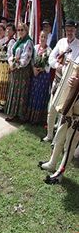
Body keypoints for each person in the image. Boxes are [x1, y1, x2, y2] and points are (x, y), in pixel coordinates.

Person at [39, 53, 79, 184]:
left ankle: (60, 173)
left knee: (70, 143)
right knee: (60, 136)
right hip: (69, 104)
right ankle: (52, 163)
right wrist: (67, 69)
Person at [44, 19, 79, 141]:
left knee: (62, 112)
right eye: (67, 30)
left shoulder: (78, 46)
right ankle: (49, 135)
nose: (69, 32)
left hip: (67, 84)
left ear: (75, 30)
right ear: (65, 30)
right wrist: (58, 66)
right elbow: (51, 58)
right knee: (51, 108)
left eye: (72, 30)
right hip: (57, 80)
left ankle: (56, 140)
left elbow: (77, 65)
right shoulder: (61, 42)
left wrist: (69, 66)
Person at [4, 22, 34, 122]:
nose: (20, 32)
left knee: (21, 93)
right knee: (13, 91)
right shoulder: (18, 41)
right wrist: (11, 63)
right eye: (18, 30)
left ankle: (20, 115)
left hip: (22, 71)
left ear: (26, 31)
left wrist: (15, 65)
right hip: (15, 69)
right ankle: (12, 113)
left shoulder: (28, 42)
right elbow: (10, 53)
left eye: (22, 30)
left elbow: (26, 58)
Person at [27, 31, 52, 124]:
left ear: (47, 39)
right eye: (41, 36)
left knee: (40, 95)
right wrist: (34, 68)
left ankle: (37, 118)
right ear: (39, 37)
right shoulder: (35, 47)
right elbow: (31, 59)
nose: (43, 39)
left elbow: (49, 64)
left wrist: (41, 69)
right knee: (33, 93)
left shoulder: (49, 50)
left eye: (45, 37)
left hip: (43, 76)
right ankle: (29, 116)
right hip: (35, 75)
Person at [0, 23, 16, 112]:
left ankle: (2, 104)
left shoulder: (12, 41)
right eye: (7, 29)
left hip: (6, 64)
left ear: (13, 32)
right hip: (2, 64)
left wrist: (0, 56)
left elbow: (9, 54)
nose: (8, 31)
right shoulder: (7, 40)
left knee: (4, 84)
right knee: (0, 83)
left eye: (10, 30)